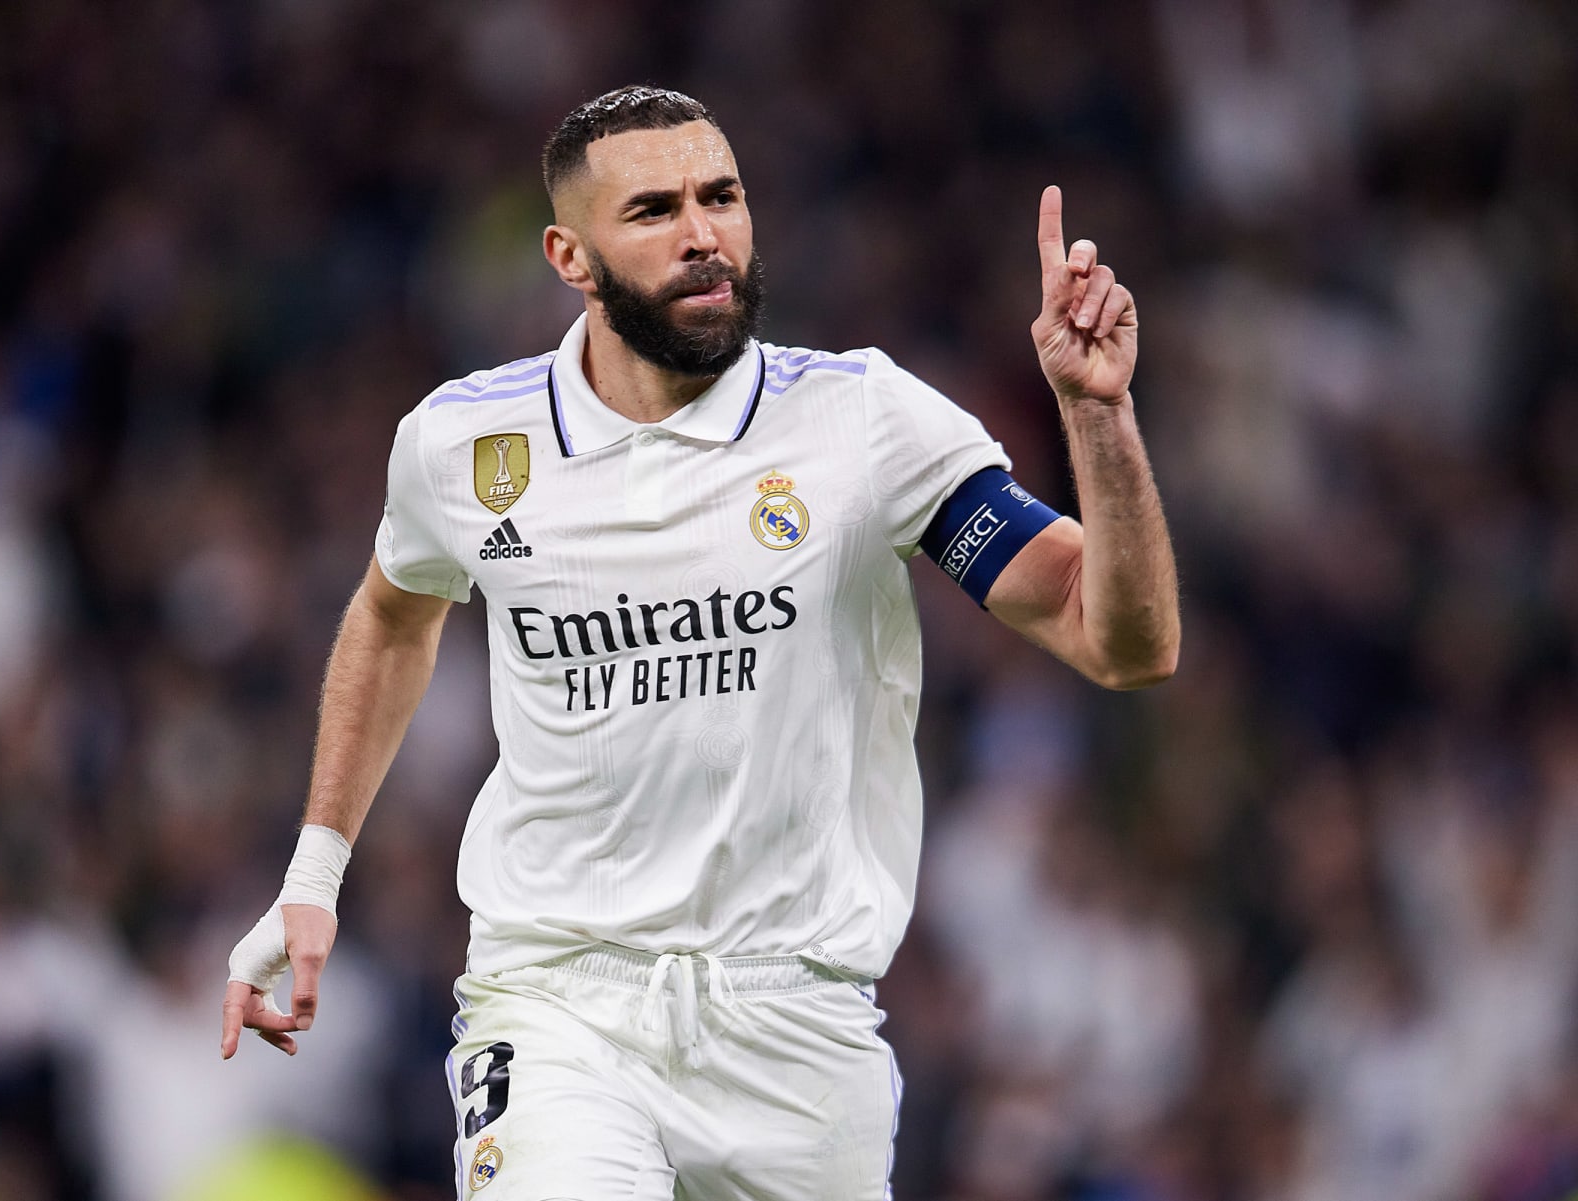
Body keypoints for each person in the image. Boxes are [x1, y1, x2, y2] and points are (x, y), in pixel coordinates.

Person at [221, 85, 1179, 1200]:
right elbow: (393, 616)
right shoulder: (465, 443)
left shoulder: (865, 423)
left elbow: (1119, 640)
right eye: (654, 210)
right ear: (570, 258)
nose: (702, 234)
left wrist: (1097, 415)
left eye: (721, 197)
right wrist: (315, 873)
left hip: (799, 1024)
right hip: (560, 998)